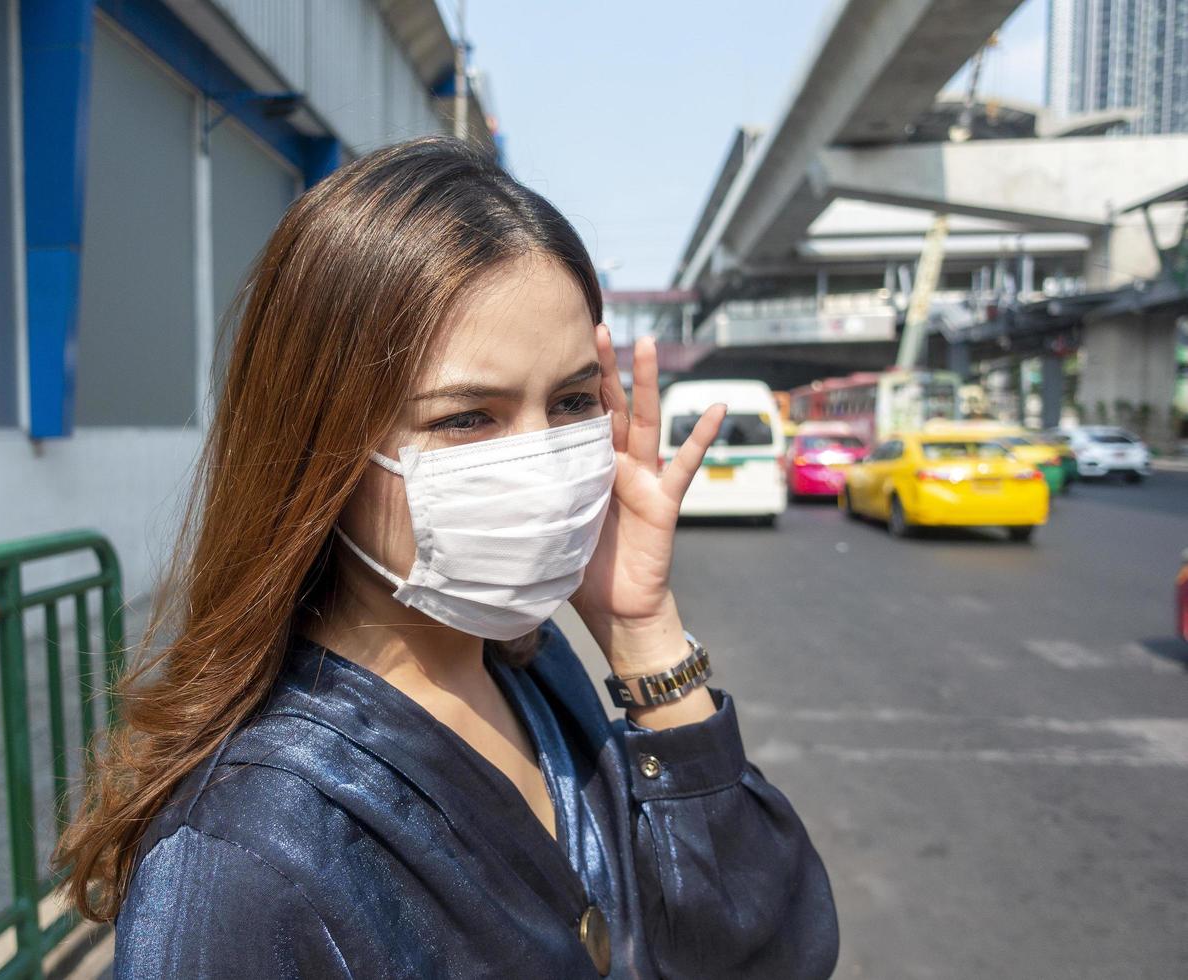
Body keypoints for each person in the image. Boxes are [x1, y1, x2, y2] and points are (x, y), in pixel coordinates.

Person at [56, 136, 838, 978]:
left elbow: (768, 952)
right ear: (322, 447)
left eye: (574, 402)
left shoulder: (531, 670)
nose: (541, 467)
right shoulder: (241, 859)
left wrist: (642, 631)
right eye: (468, 417)